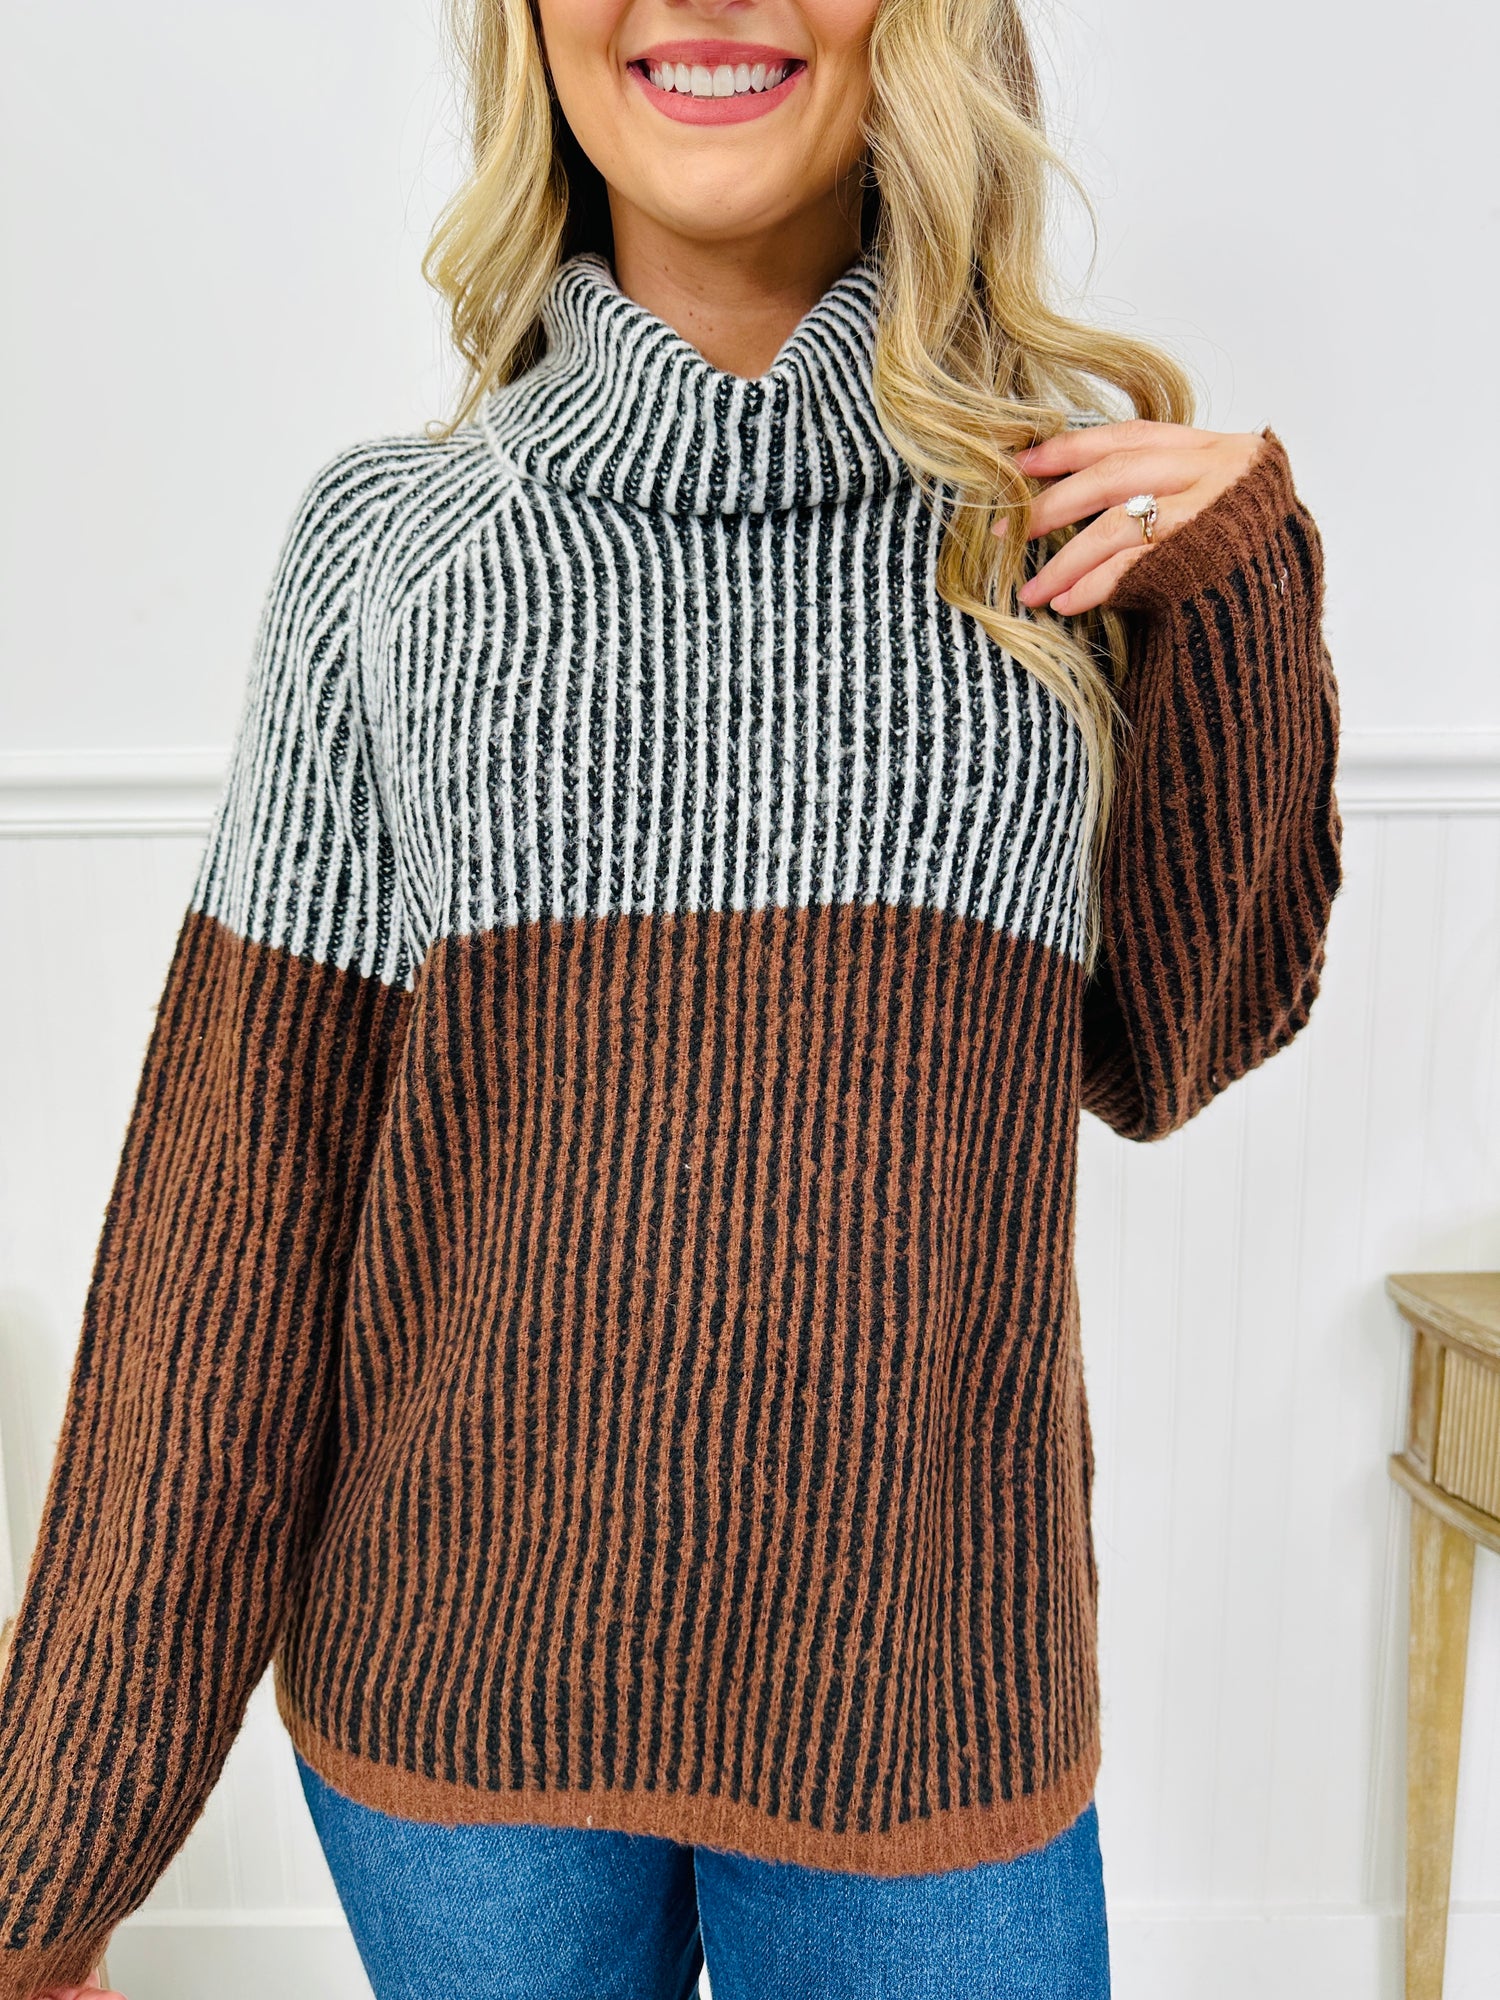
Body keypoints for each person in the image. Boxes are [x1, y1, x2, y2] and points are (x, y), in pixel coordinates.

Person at [0, 0, 1345, 1993]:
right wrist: (48, 1862)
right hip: (458, 1715)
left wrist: (1242, 607)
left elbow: (1177, 1045)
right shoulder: (391, 557)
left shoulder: (1056, 534)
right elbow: (229, 1239)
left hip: (929, 1706)